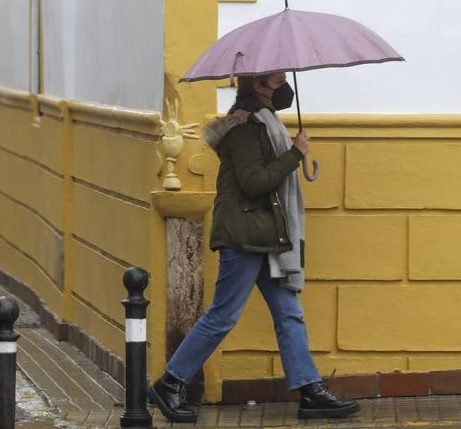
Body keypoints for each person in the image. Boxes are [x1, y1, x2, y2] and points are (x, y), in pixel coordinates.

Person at [148, 72, 359, 423]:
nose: (284, 88)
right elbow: (254, 182)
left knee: (288, 313)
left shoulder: (265, 122)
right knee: (223, 315)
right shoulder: (245, 128)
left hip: (264, 234)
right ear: (258, 86)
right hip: (245, 235)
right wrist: (294, 154)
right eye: (277, 82)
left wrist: (290, 153)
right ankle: (170, 383)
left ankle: (310, 391)